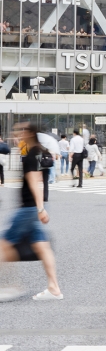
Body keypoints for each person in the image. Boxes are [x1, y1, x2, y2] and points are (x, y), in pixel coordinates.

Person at [0, 123, 63, 302]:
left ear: (29, 133)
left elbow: (35, 182)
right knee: (42, 246)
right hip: (37, 207)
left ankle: (10, 286)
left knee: (4, 244)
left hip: (29, 208)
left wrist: (39, 208)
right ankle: (54, 288)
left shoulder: (31, 155)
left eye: (20, 132)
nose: (17, 135)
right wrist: (41, 207)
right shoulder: (41, 151)